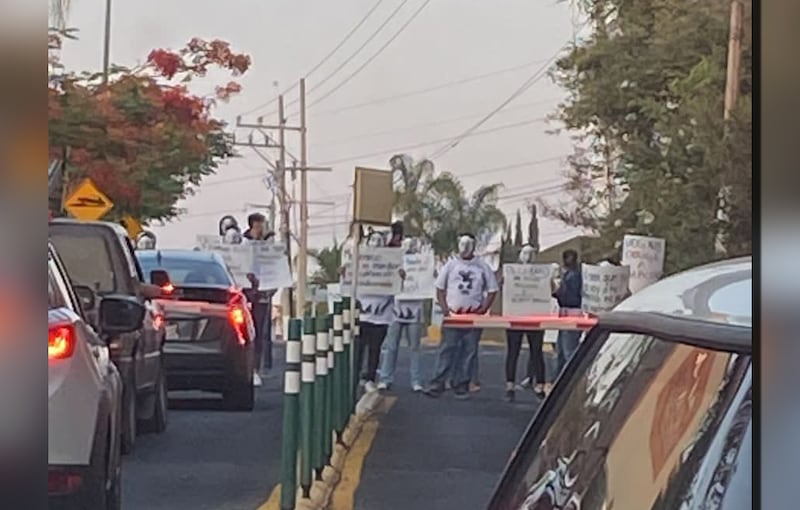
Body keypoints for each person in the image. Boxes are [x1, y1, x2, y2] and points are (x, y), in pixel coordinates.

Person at [423, 233, 499, 400]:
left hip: (472, 317)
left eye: (468, 244)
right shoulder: (451, 265)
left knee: (469, 351)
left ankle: (461, 384)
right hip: (453, 316)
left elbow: (493, 289)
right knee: (446, 349)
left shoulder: (482, 266)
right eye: (462, 244)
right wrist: (445, 309)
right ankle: (438, 383)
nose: (465, 248)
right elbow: (440, 289)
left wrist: (483, 309)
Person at [378, 233, 424, 392]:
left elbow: (426, 283)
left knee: (415, 347)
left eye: (412, 246)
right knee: (391, 346)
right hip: (396, 309)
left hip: (415, 310)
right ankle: (385, 378)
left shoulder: (423, 262)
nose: (409, 248)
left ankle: (416, 380)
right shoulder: (394, 262)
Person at [354, 230, 398, 393]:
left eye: (379, 240)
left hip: (381, 314)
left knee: (375, 349)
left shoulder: (391, 261)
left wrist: (400, 277)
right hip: (362, 313)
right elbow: (351, 283)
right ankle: (356, 376)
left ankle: (370, 378)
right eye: (373, 240)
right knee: (359, 347)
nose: (376, 244)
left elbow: (394, 286)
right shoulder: (359, 260)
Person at [503, 245, 547, 402]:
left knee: (537, 352)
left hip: (535, 318)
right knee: (513, 352)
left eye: (531, 253)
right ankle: (510, 386)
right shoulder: (511, 271)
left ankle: (540, 385)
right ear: (520, 255)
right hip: (515, 317)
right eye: (525, 253)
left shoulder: (541, 274)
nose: (528, 256)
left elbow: (549, 291)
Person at [241, 213, 278, 387]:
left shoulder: (268, 246)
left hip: (262, 295)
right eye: (259, 226)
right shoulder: (242, 244)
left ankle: (255, 369)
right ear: (252, 226)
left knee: (258, 332)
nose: (262, 229)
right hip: (245, 294)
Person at [552, 249, 583, 373]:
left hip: (572, 314)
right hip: (565, 313)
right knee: (561, 350)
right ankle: (558, 378)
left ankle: (568, 377)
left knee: (568, 350)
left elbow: (570, 297)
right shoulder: (570, 274)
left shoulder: (573, 276)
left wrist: (557, 293)